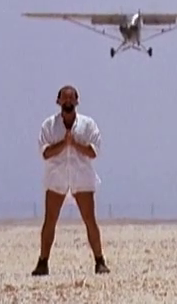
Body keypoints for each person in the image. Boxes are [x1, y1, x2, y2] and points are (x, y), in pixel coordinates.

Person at [31, 85, 110, 276]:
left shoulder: (88, 125)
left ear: (77, 101)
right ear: (58, 101)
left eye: (71, 98)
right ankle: (43, 262)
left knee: (90, 220)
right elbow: (45, 152)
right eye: (64, 99)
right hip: (56, 178)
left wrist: (74, 144)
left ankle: (99, 261)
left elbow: (93, 151)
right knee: (50, 221)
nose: (68, 102)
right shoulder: (49, 125)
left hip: (81, 177)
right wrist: (63, 144)